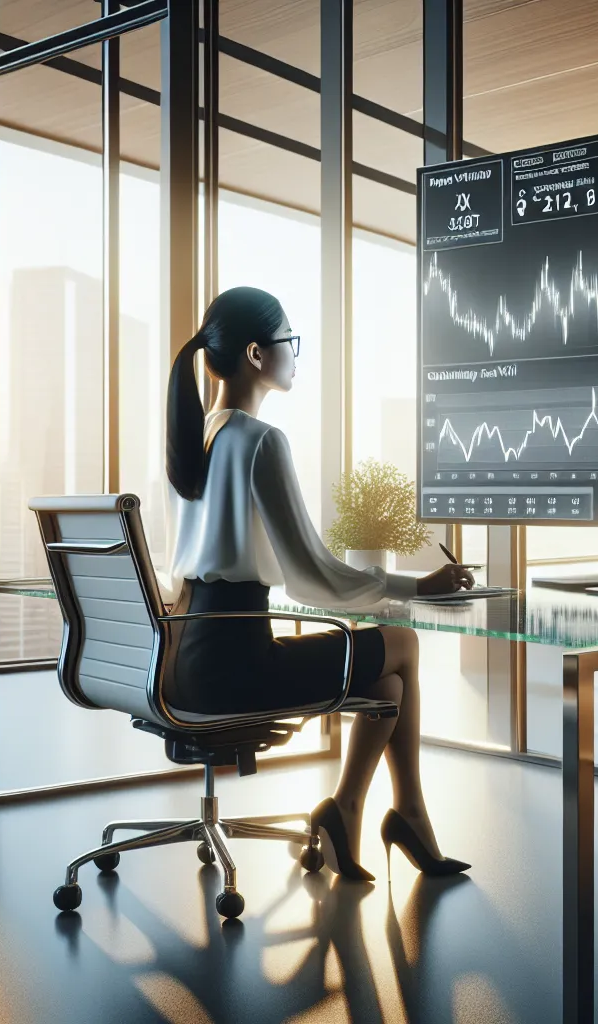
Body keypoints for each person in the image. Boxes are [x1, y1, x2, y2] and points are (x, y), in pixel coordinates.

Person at [165, 285, 472, 881]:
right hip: (236, 667)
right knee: (403, 644)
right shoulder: (258, 442)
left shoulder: (197, 436)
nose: (294, 354)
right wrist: (415, 589)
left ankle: (351, 808)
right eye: (288, 341)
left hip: (182, 660)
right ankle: (403, 811)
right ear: (257, 355)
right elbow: (311, 578)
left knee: (386, 687)